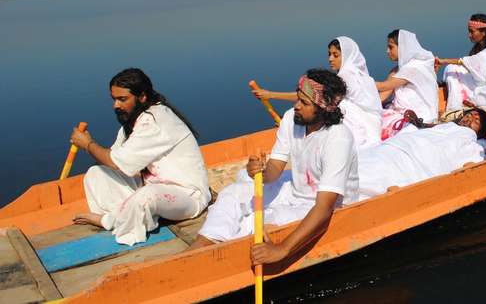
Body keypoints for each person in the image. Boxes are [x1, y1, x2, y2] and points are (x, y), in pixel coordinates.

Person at [192, 69, 358, 267]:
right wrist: (259, 172)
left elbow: (324, 208)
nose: (296, 106)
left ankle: (223, 259)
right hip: (295, 190)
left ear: (323, 109)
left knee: (264, 219)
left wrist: (282, 249)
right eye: (298, 98)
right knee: (233, 192)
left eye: (304, 103)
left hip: (325, 204)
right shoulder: (292, 119)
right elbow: (275, 170)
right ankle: (204, 244)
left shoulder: (338, 138)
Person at [69, 68, 210, 246]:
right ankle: (124, 216)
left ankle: (111, 221)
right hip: (152, 187)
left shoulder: (156, 121)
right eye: (114, 99)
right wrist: (89, 146)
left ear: (142, 97)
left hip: (187, 197)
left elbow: (114, 161)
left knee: (147, 195)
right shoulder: (133, 121)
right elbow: (114, 159)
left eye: (122, 99)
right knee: (95, 174)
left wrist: (88, 145)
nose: (116, 105)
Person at [252, 37, 382, 149]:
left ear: (347, 55)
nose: (330, 59)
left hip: (362, 126)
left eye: (336, 55)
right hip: (372, 122)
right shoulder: (357, 72)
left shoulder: (346, 76)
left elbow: (312, 96)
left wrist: (270, 95)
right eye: (329, 54)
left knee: (316, 109)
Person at [358, 107, 486, 200]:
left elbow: (470, 166)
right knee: (373, 159)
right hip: (400, 146)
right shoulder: (445, 127)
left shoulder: (473, 144)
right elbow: (424, 131)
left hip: (418, 160)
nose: (469, 119)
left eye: (476, 121)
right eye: (468, 115)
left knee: (380, 172)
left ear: (480, 132)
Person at [435, 14, 486, 112]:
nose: (469, 35)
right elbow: (472, 62)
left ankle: (455, 106)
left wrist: (443, 61)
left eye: (472, 32)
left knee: (452, 69)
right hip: (485, 84)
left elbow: (467, 62)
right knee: (454, 69)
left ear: (484, 32)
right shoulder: (483, 46)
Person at [375, 29, 439, 140]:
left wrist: (359, 81)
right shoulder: (397, 70)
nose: (387, 51)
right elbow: (383, 95)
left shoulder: (414, 68)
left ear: (403, 48)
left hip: (419, 116)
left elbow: (383, 86)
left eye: (391, 47)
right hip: (400, 112)